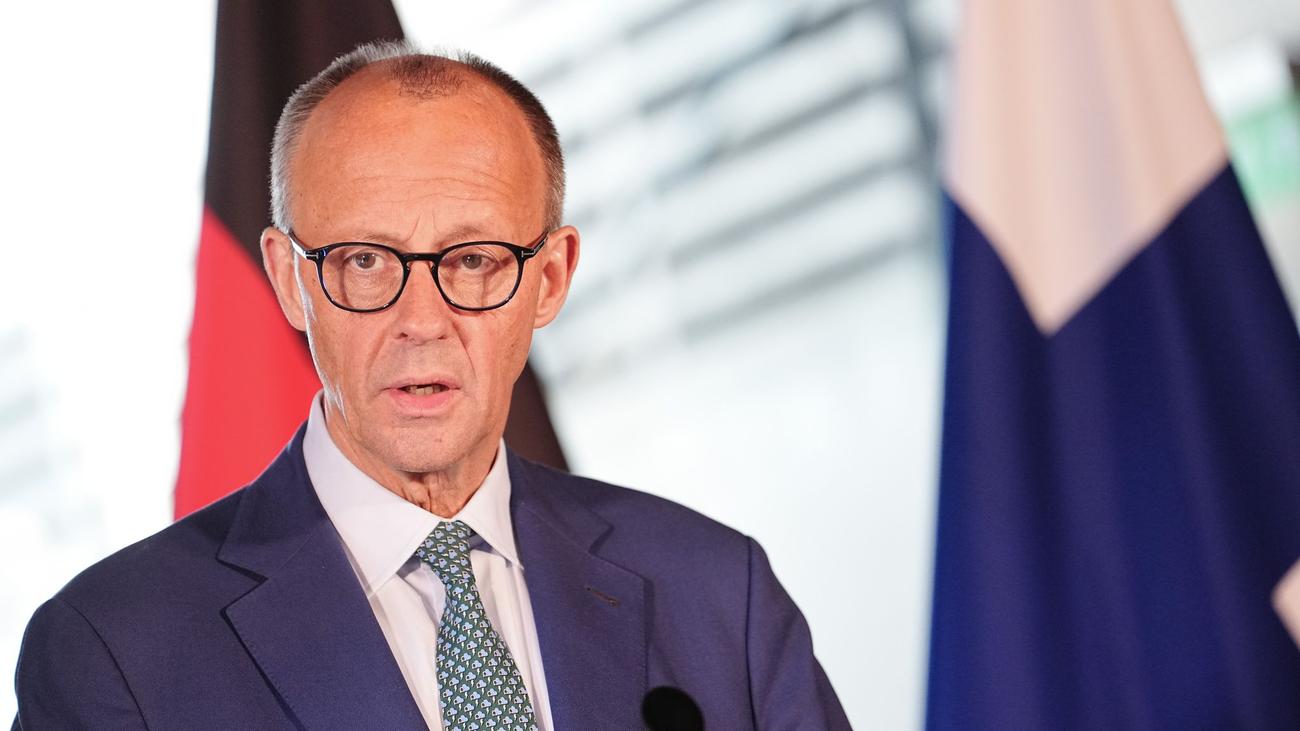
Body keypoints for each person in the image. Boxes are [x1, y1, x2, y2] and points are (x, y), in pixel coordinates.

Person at [13, 42, 850, 730]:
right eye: (365, 260)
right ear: (289, 280)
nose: (421, 320)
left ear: (551, 278)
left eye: (474, 260)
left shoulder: (718, 593)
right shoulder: (112, 650)